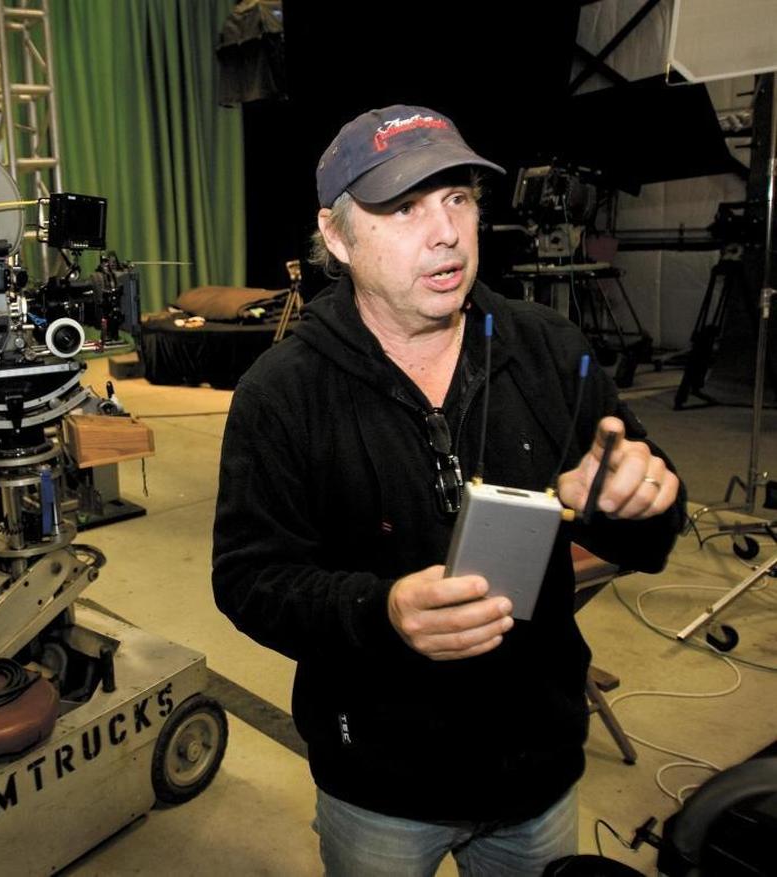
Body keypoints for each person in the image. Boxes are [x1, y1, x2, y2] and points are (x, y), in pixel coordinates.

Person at [211, 105, 686, 876]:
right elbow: (248, 580)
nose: (445, 234)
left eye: (458, 198)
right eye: (403, 208)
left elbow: (652, 532)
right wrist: (382, 613)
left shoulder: (547, 347)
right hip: (379, 786)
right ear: (336, 235)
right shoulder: (281, 392)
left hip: (536, 773)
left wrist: (639, 503)